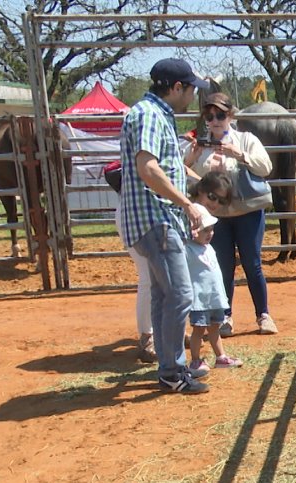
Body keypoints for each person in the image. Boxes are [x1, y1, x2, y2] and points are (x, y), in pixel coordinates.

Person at [119, 57, 210, 394]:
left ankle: (169, 367)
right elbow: (149, 168)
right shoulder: (150, 115)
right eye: (189, 89)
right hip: (155, 218)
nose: (191, 96)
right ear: (176, 88)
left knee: (163, 295)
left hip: (152, 219)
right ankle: (172, 371)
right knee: (180, 295)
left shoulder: (152, 113)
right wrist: (186, 203)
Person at [184, 91, 278, 337]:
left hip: (247, 211)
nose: (215, 120)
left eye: (220, 115)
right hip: (217, 216)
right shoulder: (199, 147)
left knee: (252, 263)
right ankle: (225, 316)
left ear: (230, 115)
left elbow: (265, 167)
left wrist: (239, 155)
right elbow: (184, 176)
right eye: (209, 115)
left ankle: (263, 315)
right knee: (223, 266)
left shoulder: (246, 139)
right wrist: (192, 159)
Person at [186, 172, 244, 372]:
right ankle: (195, 360)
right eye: (205, 230)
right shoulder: (188, 248)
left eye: (211, 230)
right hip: (200, 299)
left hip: (214, 297)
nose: (209, 234)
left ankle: (221, 357)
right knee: (198, 330)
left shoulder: (209, 247)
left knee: (214, 329)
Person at [105, 160, 155, 364]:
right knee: (148, 278)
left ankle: (166, 330)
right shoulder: (134, 157)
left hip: (154, 213)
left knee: (168, 278)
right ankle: (147, 336)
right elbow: (112, 172)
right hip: (135, 214)